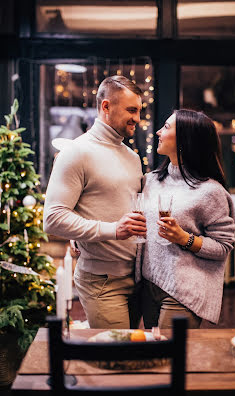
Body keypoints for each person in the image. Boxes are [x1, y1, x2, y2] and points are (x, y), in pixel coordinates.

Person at [43, 76, 147, 329]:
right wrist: (113, 230)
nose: (137, 119)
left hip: (139, 279)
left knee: (132, 353)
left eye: (140, 111)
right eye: (131, 110)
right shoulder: (75, 152)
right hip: (102, 280)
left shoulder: (133, 158)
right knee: (116, 361)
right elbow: (53, 218)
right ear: (106, 107)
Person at [136, 109, 235, 329]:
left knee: (170, 357)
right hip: (148, 285)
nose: (159, 132)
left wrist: (184, 238)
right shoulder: (150, 181)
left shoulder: (211, 191)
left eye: (167, 127)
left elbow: (224, 246)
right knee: (154, 355)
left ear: (186, 139)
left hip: (183, 290)